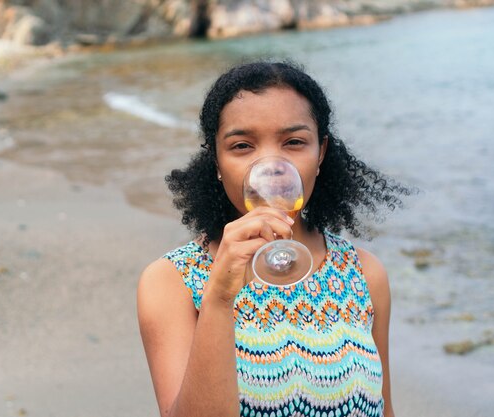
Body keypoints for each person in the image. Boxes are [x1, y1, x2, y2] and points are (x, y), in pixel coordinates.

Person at [138, 61, 410, 417]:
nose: (271, 166)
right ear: (216, 162)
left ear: (321, 153)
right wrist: (219, 297)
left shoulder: (364, 274)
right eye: (242, 146)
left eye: (294, 142)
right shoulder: (169, 281)